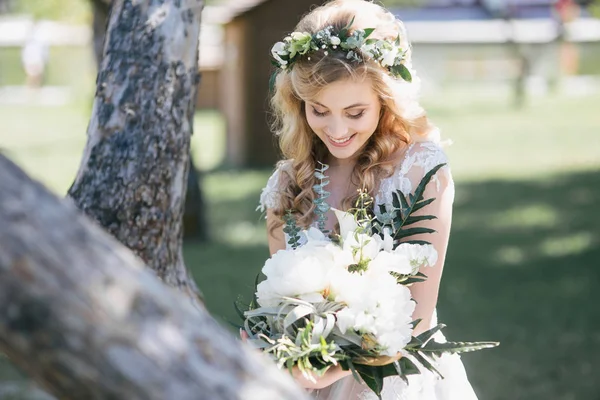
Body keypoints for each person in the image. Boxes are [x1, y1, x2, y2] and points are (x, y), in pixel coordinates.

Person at [257, 1, 479, 398]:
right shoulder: (289, 184)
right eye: (319, 110)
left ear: (385, 99)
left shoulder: (420, 171)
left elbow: (417, 314)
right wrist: (274, 346)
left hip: (397, 377)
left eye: (355, 112)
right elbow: (283, 303)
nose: (337, 129)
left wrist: (338, 366)